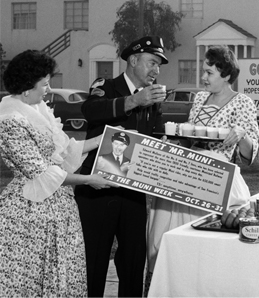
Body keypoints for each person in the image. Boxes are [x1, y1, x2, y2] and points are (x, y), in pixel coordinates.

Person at [0, 50, 112, 297]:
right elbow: (41, 173)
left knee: (61, 272)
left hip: (59, 207)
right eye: (45, 83)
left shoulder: (39, 108)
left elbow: (66, 151)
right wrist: (88, 180)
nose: (48, 89)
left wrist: (104, 139)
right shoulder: (10, 120)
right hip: (29, 211)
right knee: (30, 276)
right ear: (27, 87)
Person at [145, 45, 257, 292]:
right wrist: (173, 140)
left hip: (216, 181)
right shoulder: (198, 99)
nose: (203, 78)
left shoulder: (243, 103)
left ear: (226, 75)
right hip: (185, 176)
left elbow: (250, 155)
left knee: (205, 247)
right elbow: (190, 137)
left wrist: (242, 134)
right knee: (165, 240)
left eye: (209, 72)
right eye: (203, 72)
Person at [75, 36, 168, 297]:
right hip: (98, 188)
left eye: (159, 65)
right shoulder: (106, 85)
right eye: (152, 62)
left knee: (133, 261)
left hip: (133, 190)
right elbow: (91, 111)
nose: (156, 70)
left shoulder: (153, 97)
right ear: (133, 60)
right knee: (93, 260)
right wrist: (135, 101)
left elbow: (154, 136)